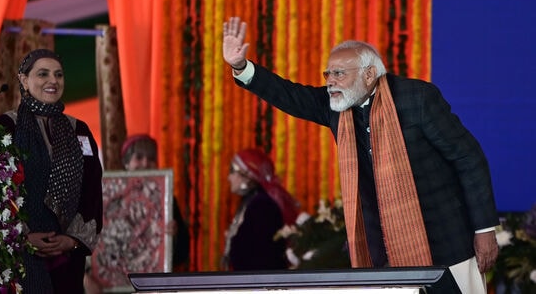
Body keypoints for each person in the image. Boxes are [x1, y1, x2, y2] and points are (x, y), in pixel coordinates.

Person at [222, 17, 499, 293]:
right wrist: (241, 67)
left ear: (369, 74)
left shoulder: (418, 99)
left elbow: (468, 158)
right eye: (327, 74)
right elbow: (288, 94)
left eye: (339, 73)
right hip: (384, 253)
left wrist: (484, 229)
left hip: (447, 240)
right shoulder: (336, 107)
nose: (330, 82)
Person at [0, 49, 103, 294]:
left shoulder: (79, 131)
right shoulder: (6, 128)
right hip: (21, 257)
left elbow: (92, 191)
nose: (52, 81)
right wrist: (22, 237)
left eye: (58, 75)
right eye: (42, 74)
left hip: (66, 258)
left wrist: (73, 240)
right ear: (24, 80)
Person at [221, 148, 299, 271]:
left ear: (246, 175)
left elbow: (258, 255)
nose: (228, 177)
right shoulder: (252, 201)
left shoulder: (261, 206)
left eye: (232, 171)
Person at [120, 134, 190, 269]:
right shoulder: (111, 197)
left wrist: (175, 235)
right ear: (127, 163)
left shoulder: (167, 199)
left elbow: (182, 254)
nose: (146, 164)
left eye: (151, 159)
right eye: (139, 158)